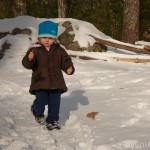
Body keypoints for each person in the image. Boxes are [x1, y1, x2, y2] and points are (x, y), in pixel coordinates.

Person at [22, 20, 75, 130]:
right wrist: (29, 59)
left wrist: (69, 68)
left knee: (55, 104)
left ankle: (52, 121)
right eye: (44, 37)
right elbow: (27, 65)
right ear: (39, 38)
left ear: (54, 38)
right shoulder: (34, 49)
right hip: (40, 82)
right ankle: (37, 111)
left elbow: (66, 61)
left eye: (50, 38)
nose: (47, 40)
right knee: (41, 102)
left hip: (56, 83)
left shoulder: (59, 50)